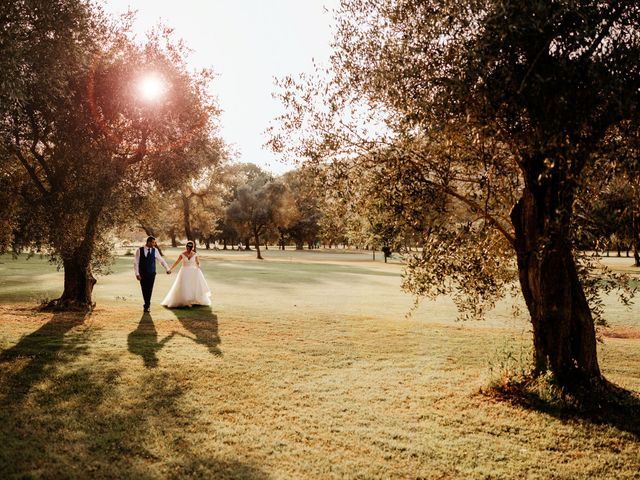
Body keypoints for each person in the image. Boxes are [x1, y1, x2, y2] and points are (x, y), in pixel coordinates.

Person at [161, 241, 211, 308]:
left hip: (193, 272)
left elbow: (198, 263)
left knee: (192, 286)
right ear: (186, 247)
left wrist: (198, 266)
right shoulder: (182, 254)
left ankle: (192, 300)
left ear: (192, 248)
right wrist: (170, 269)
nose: (188, 249)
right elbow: (177, 262)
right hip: (184, 271)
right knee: (184, 286)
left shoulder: (195, 254)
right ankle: (186, 301)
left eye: (189, 248)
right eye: (188, 248)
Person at [134, 236, 171, 312]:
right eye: (153, 242)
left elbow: (161, 260)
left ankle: (147, 306)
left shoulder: (155, 250)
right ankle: (147, 304)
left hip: (151, 273)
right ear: (148, 242)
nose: (154, 244)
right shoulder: (139, 250)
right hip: (142, 274)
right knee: (144, 289)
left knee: (149, 289)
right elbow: (136, 263)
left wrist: (167, 268)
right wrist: (137, 274)